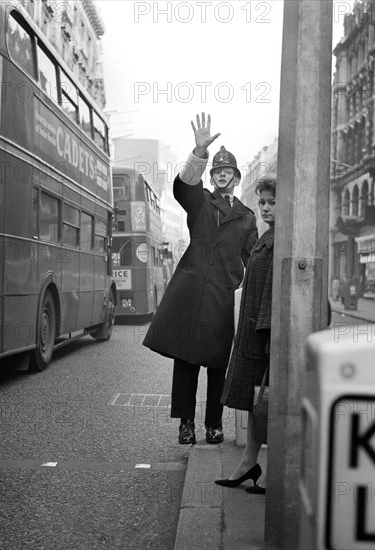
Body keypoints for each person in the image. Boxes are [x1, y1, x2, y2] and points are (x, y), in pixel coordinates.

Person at [143, 113, 258, 445]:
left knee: (218, 364)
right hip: (191, 295)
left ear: (236, 178)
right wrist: (199, 152)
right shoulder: (201, 202)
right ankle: (186, 424)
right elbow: (184, 185)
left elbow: (253, 256)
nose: (222, 176)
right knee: (187, 360)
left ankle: (213, 424)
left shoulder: (247, 218)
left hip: (223, 296)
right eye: (217, 171)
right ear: (213, 176)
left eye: (228, 172)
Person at [216, 174, 276, 494]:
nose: (265, 208)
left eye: (273, 202)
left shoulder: (282, 240)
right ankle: (248, 462)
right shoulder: (268, 237)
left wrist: (268, 338)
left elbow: (272, 293)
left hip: (264, 335)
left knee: (269, 403)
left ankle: (272, 470)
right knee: (258, 401)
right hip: (255, 332)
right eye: (262, 202)